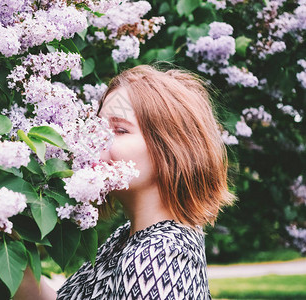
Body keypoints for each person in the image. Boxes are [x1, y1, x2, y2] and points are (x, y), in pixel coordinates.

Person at [14, 64, 236, 300]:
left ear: (170, 147)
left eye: (119, 130)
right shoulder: (133, 237)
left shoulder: (155, 256)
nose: (96, 140)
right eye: (98, 127)